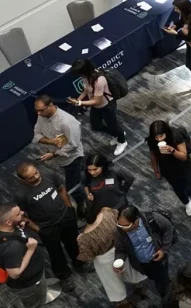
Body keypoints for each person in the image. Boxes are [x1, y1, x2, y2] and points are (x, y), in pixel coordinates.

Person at [13, 162, 82, 293]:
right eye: (31, 177)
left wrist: (69, 208)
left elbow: (61, 189)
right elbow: (22, 216)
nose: (36, 177)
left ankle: (79, 262)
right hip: (47, 228)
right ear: (22, 180)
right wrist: (39, 230)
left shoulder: (49, 174)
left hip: (65, 217)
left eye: (36, 173)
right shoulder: (20, 194)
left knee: (74, 242)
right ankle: (64, 276)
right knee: (56, 254)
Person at [32, 95, 85, 214]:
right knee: (75, 172)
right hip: (57, 157)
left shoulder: (68, 122)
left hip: (71, 157)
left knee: (72, 186)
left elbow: (73, 145)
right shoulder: (42, 116)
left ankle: (83, 202)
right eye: (37, 110)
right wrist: (50, 141)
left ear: (50, 105)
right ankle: (84, 169)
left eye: (41, 110)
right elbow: (36, 134)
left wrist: (54, 153)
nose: (39, 114)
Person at [146, 120, 191, 224]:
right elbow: (153, 156)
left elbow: (183, 156)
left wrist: (172, 150)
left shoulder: (176, 136)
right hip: (167, 168)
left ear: (166, 132)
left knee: (189, 189)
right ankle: (187, 203)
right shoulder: (152, 140)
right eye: (156, 137)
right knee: (177, 188)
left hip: (182, 167)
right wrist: (156, 170)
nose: (159, 139)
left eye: (161, 136)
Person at [113, 205, 174, 302]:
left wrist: (164, 250)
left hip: (159, 259)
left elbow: (168, 228)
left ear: (136, 220)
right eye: (120, 225)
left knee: (162, 282)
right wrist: (119, 260)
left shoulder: (153, 218)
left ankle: (167, 298)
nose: (122, 228)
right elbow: (120, 250)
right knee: (156, 278)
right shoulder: (119, 231)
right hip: (142, 265)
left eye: (126, 225)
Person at [68, 59, 128, 156]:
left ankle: (122, 141)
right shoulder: (85, 77)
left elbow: (97, 100)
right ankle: (116, 134)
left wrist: (79, 102)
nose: (79, 76)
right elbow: (86, 90)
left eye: (79, 73)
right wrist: (78, 99)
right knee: (96, 125)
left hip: (107, 106)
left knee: (114, 125)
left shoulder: (99, 80)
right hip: (96, 106)